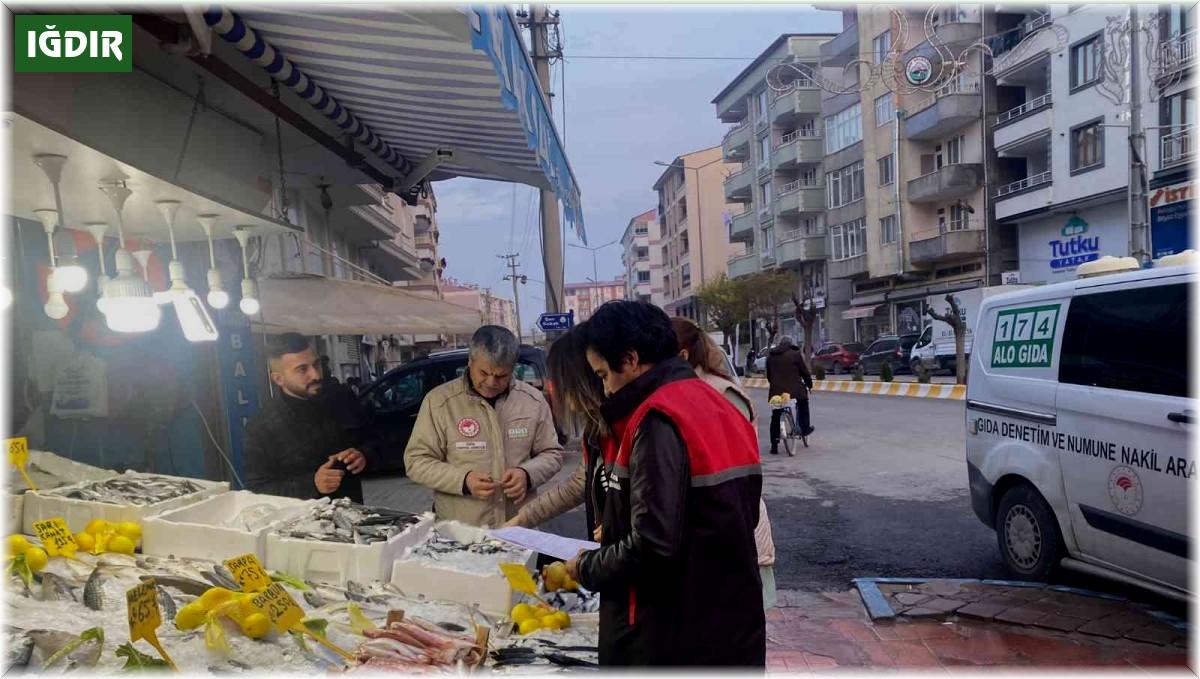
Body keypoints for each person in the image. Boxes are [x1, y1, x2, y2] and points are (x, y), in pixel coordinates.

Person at [566, 301, 765, 667]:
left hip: (672, 632)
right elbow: (734, 516)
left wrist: (585, 567)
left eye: (603, 374)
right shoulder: (718, 403)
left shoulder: (658, 418)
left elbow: (652, 546)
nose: (606, 389)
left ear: (629, 359)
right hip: (727, 618)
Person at [404, 325, 564, 528]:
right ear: (470, 362)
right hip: (461, 530)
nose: (491, 382)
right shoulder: (440, 402)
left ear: (513, 368)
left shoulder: (532, 401)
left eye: (501, 376)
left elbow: (552, 454)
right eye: (484, 372)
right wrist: (464, 480)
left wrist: (527, 474)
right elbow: (416, 461)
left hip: (519, 527)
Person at [671, 317, 777, 609]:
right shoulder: (679, 393)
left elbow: (735, 475)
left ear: (683, 355)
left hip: (735, 537)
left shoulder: (722, 394)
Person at [502, 323, 607, 541]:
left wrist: (623, 525)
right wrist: (520, 521)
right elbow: (580, 484)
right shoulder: (595, 430)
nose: (565, 399)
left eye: (563, 385)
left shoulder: (634, 427)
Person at [243, 333, 378, 502]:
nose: (316, 375)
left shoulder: (343, 399)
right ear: (278, 379)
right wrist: (312, 484)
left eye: (316, 364)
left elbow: (376, 442)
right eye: (302, 369)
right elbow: (257, 489)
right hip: (300, 523)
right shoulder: (261, 426)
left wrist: (363, 455)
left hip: (354, 514)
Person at [766, 335, 814, 455]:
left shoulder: (771, 356)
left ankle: (774, 446)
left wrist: (775, 385)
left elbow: (769, 375)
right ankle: (805, 429)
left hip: (776, 392)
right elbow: (804, 372)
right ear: (790, 343)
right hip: (795, 391)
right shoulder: (795, 354)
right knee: (803, 404)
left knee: (776, 416)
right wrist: (809, 384)